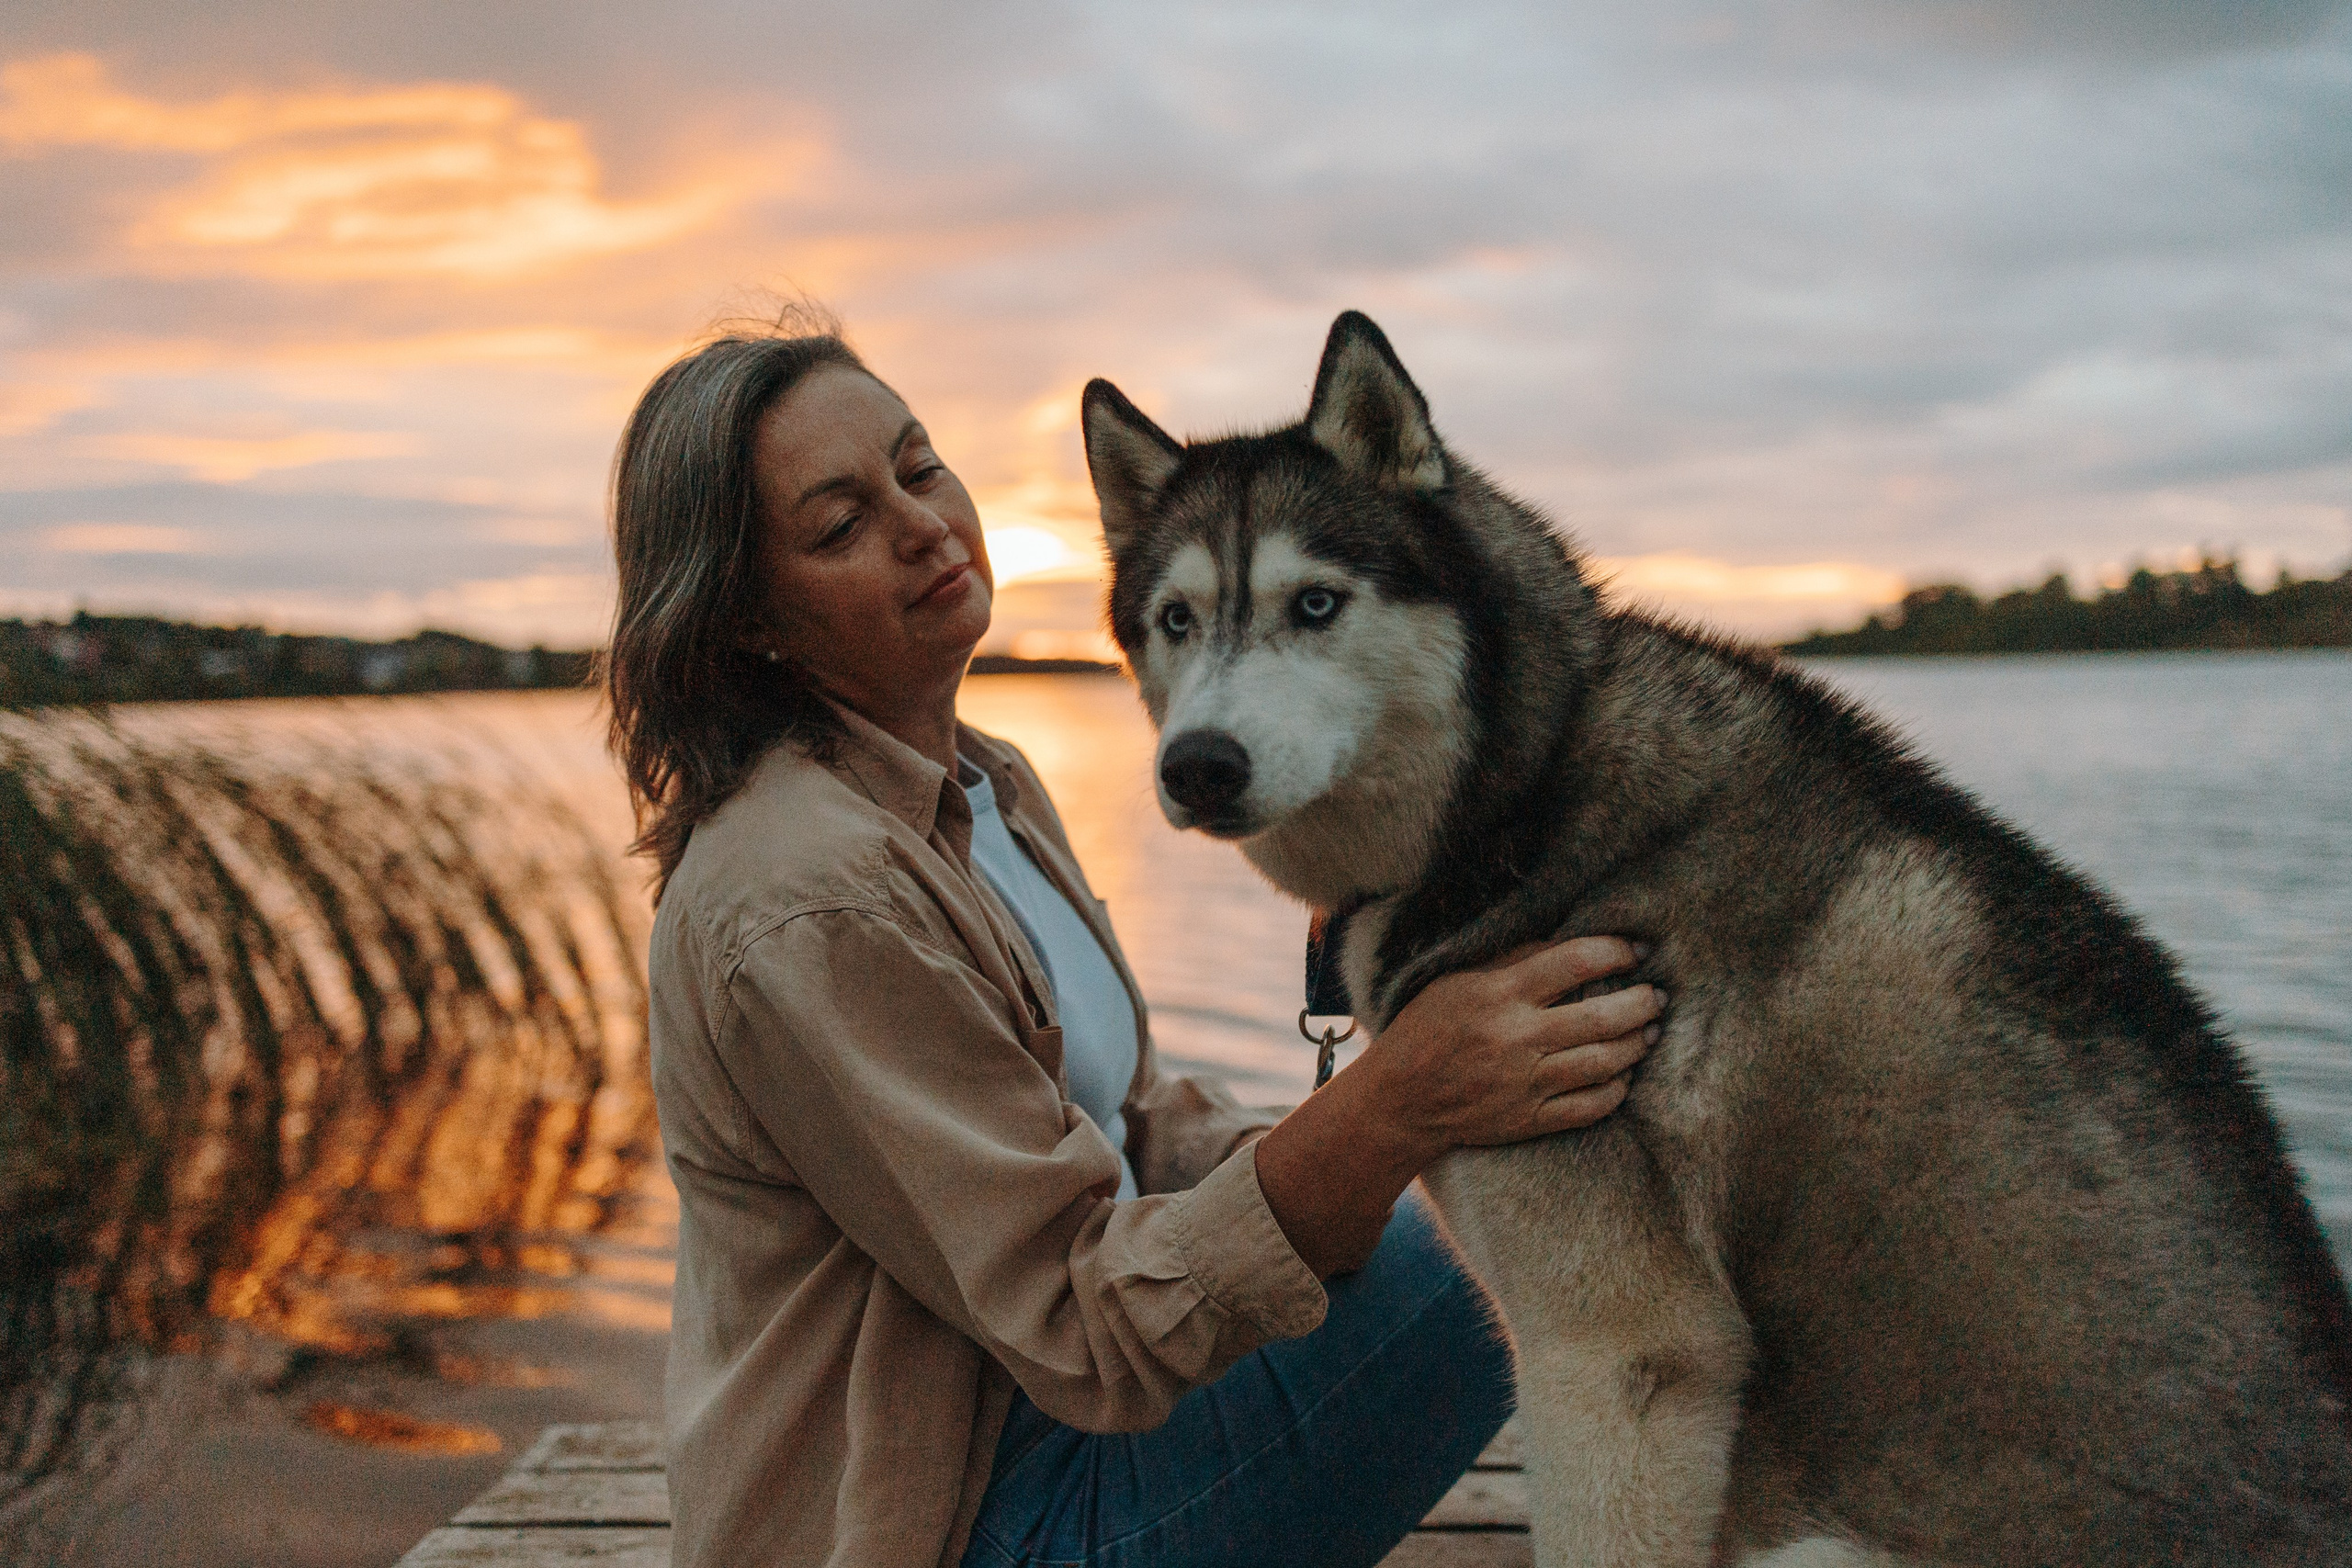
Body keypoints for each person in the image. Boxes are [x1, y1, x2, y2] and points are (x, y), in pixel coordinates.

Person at [604, 315, 1666, 1568]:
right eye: (840, 525)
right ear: (747, 624)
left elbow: (1137, 1129)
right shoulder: (809, 901)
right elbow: (1079, 1321)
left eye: (920, 464)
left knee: (1494, 1178)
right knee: (1502, 1241)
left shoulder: (979, 786)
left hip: (1052, 1438)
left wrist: (1394, 1139)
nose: (922, 524)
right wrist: (1395, 1106)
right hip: (952, 1526)